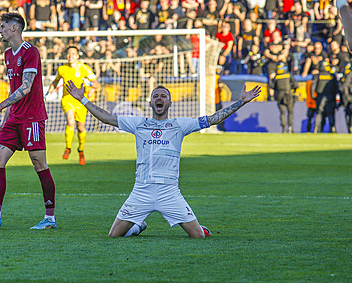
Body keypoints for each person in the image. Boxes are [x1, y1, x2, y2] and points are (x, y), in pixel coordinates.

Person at [65, 81, 261, 238]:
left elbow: (213, 119)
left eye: (163, 96)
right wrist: (82, 99)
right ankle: (137, 226)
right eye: (155, 96)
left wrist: (241, 102)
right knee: (114, 235)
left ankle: (197, 226)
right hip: (141, 190)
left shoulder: (180, 125)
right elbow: (107, 118)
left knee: (198, 237)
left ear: (169, 103)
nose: (159, 99)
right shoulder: (138, 123)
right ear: (150, 103)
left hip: (169, 191)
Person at [0, 12, 56, 230]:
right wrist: (6, 118)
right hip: (14, 117)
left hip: (32, 117)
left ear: (15, 28)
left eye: (3, 27)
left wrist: (0, 107)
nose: (0, 31)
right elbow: (13, 88)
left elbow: (26, 87)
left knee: (39, 164)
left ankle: (50, 218)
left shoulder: (31, 52)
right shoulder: (8, 54)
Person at [47, 46, 99, 165]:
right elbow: (56, 81)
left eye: (73, 54)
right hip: (67, 99)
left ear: (77, 56)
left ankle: (80, 150)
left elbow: (96, 84)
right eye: (69, 53)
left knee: (81, 127)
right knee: (70, 122)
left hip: (81, 102)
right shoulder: (62, 69)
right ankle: (68, 148)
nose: (70, 56)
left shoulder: (84, 69)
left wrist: (89, 82)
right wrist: (49, 91)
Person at [269, 63, 297, 133]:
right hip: (288, 94)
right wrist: (293, 90)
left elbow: (271, 87)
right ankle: (290, 128)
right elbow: (296, 85)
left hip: (279, 95)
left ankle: (284, 129)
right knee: (290, 112)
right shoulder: (288, 75)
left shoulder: (276, 76)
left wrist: (272, 96)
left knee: (282, 112)